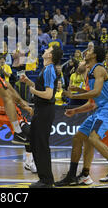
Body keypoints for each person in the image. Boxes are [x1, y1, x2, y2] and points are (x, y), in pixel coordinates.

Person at [57, 45, 108, 188]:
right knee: (78, 137)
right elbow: (94, 99)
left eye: (89, 51)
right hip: (100, 110)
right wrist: (75, 108)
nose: (86, 53)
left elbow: (96, 92)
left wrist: (74, 95)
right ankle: (74, 175)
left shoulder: (99, 69)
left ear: (94, 55)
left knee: (93, 138)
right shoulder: (91, 72)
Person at [19, 45, 63, 188]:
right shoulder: (46, 69)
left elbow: (49, 94)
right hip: (41, 109)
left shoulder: (50, 70)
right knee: (35, 142)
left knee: (41, 145)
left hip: (45, 110)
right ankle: (43, 178)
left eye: (48, 50)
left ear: (50, 56)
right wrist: (29, 83)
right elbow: (41, 89)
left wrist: (32, 90)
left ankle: (47, 180)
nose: (45, 50)